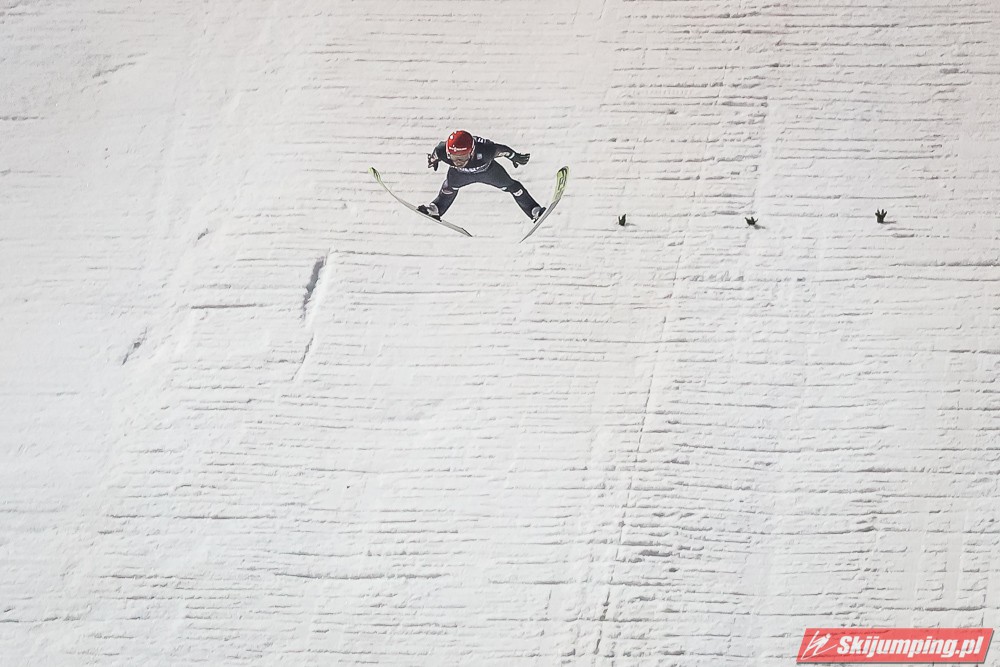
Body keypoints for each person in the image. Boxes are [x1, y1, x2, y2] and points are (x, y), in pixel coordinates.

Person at [418, 130, 545, 222]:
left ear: (472, 151)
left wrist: (514, 156)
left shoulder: (486, 150)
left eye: (462, 157)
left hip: (488, 172)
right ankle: (435, 209)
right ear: (447, 153)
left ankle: (534, 210)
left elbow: (503, 150)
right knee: (449, 188)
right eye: (453, 157)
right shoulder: (441, 150)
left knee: (514, 187)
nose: (458, 162)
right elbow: (434, 155)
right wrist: (432, 161)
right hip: (460, 175)